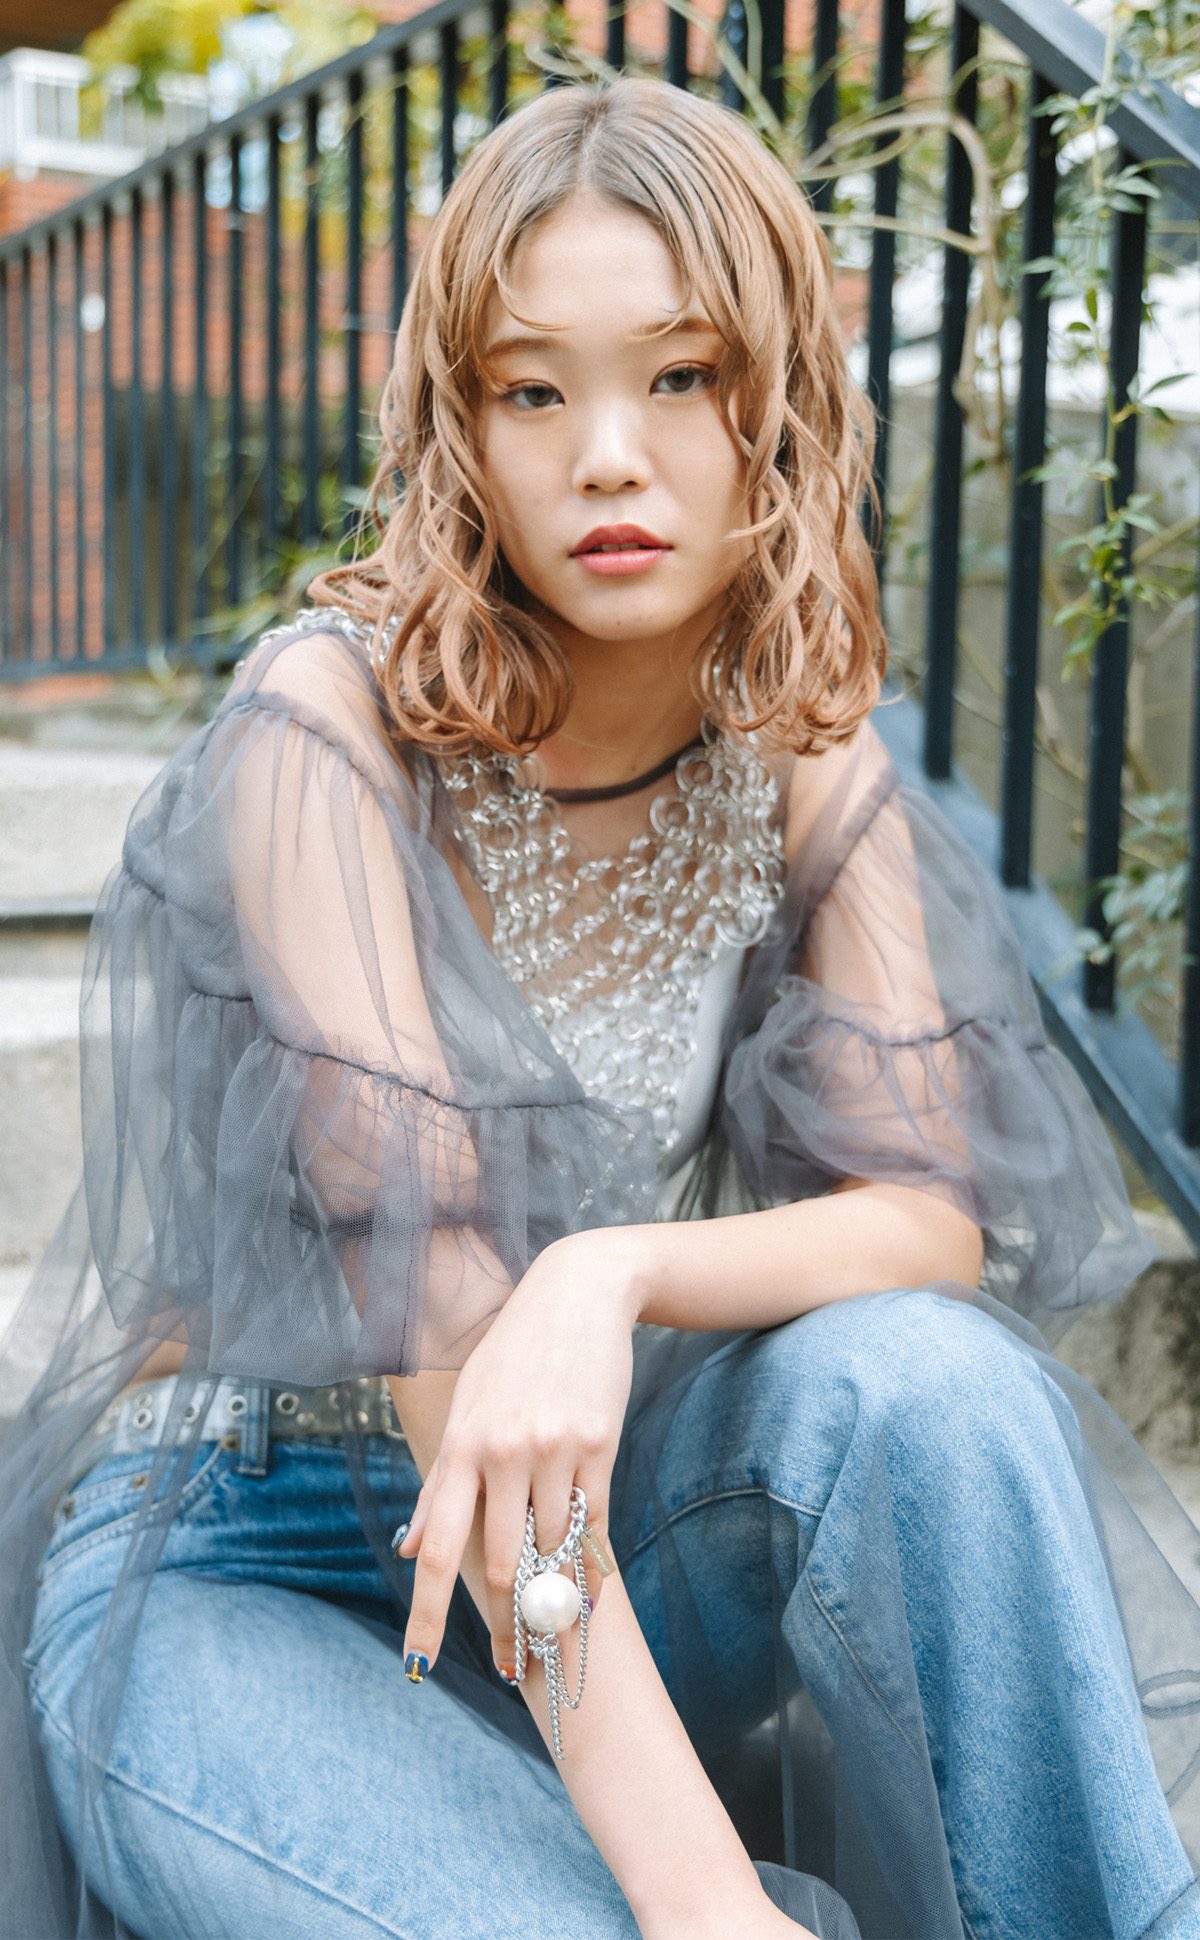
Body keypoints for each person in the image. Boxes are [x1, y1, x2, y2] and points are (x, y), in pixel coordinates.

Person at [3, 76, 1200, 1940]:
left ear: (775, 402)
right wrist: (708, 1906)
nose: (611, 459)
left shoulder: (792, 739)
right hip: (262, 1563)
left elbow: (929, 1227)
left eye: (682, 375)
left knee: (933, 1385)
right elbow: (444, 1346)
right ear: (461, 426)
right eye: (533, 391)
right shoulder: (324, 730)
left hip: (610, 1505)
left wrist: (606, 1272)